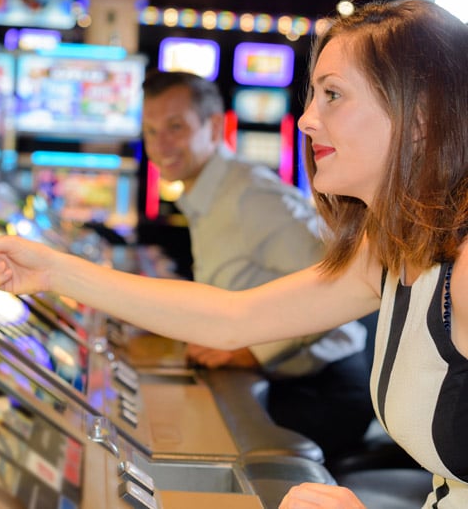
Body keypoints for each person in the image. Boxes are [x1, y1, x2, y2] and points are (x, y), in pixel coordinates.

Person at [0, 0, 468, 508]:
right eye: (312, 96)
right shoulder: (388, 246)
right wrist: (52, 270)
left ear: (420, 115)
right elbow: (233, 317)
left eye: (333, 95)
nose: (307, 120)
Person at [141, 68, 374, 460]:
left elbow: (341, 280)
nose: (160, 144)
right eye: (150, 131)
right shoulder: (208, 193)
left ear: (215, 128)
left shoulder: (250, 196)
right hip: (288, 381)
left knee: (195, 442)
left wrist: (252, 351)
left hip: (325, 392)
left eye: (175, 127)